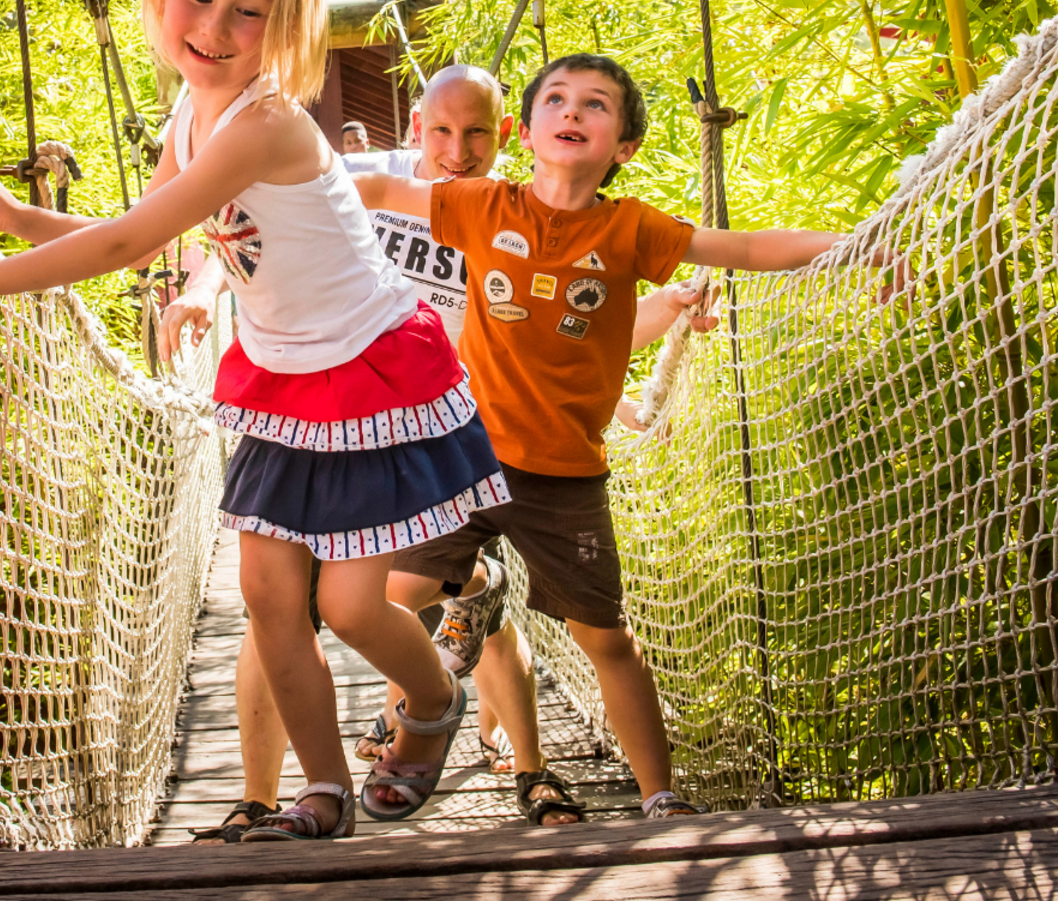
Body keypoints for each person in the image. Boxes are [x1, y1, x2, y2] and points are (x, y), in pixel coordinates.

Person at [0, 0, 503, 841]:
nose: (215, 29)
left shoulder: (268, 127)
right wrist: (24, 222)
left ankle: (432, 705)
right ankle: (322, 792)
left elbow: (122, 247)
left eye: (248, 11)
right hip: (281, 377)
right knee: (272, 597)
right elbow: (144, 234)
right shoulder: (191, 109)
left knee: (350, 608)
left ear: (288, 27)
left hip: (367, 370)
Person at [167, 63, 710, 834]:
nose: (458, 151)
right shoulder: (363, 179)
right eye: (443, 131)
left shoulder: (496, 213)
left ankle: (522, 761)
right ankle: (266, 793)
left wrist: (674, 308)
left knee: (409, 605)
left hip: (441, 427)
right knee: (284, 603)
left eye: (479, 135)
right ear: (415, 125)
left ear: (506, 139)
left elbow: (581, 310)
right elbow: (240, 208)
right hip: (320, 406)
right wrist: (201, 288)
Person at [355, 52, 861, 820]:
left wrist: (861, 243)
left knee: (608, 640)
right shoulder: (485, 205)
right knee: (390, 595)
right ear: (525, 132)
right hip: (470, 457)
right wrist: (267, 187)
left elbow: (750, 249)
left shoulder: (630, 231)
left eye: (596, 105)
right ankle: (429, 706)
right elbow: (379, 188)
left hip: (565, 477)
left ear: (622, 146)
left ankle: (661, 795)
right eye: (556, 99)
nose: (573, 111)